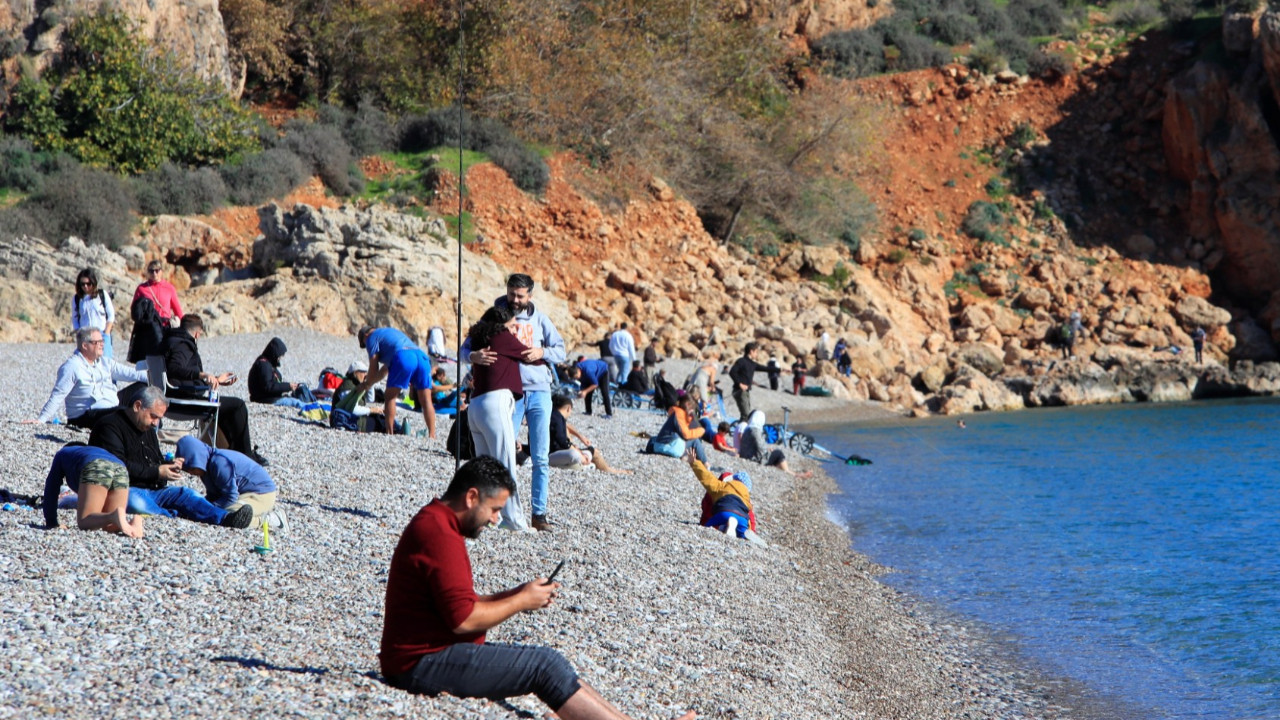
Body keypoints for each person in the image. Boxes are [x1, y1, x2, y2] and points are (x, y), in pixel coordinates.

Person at [379, 457, 694, 720]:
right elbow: (464, 620)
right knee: (544, 666)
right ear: (472, 497)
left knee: (551, 662)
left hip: (431, 652)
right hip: (418, 663)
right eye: (494, 509)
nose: (495, 520)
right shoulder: (439, 534)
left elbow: (457, 604)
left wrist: (516, 593)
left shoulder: (437, 523)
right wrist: (520, 601)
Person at [462, 273, 567, 532]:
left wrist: (542, 352)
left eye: (520, 296)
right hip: (509, 394)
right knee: (504, 455)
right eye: (512, 294)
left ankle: (538, 514)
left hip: (540, 391)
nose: (515, 300)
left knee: (540, 457)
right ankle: (498, 514)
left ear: (530, 295)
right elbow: (465, 349)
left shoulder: (541, 320)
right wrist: (473, 356)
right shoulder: (495, 319)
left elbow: (562, 351)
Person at [89, 387, 254, 528]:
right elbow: (118, 467)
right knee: (135, 502)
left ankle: (225, 518)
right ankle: (172, 514)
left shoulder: (147, 428)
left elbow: (153, 460)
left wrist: (168, 465)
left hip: (153, 489)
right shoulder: (110, 426)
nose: (156, 423)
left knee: (187, 494)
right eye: (154, 416)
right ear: (138, 406)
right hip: (125, 489)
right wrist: (157, 472)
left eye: (159, 418)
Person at [465, 305, 538, 532]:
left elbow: (462, 351)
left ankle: (484, 516)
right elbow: (529, 355)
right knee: (506, 464)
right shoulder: (501, 336)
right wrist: (544, 353)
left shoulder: (479, 337)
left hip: (475, 405)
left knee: (485, 466)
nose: (516, 326)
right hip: (495, 404)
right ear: (501, 324)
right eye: (513, 323)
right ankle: (514, 521)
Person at [162, 314, 266, 464]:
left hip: (176, 393)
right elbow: (175, 368)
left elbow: (179, 374)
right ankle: (245, 457)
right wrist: (203, 375)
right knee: (238, 406)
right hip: (182, 400)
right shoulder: (183, 344)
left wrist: (216, 380)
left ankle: (235, 454)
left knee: (227, 407)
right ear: (198, 333)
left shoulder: (171, 340)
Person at [30, 328, 148, 429]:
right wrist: (41, 419)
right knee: (123, 412)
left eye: (102, 341)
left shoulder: (105, 362)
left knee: (144, 388)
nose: (102, 344)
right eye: (97, 342)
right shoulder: (72, 366)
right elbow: (58, 394)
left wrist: (160, 380)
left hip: (111, 404)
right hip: (85, 415)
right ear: (85, 345)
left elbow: (134, 374)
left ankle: (152, 423)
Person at [175, 436, 286, 530]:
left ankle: (271, 519)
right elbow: (214, 495)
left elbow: (230, 496)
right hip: (243, 493)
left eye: (191, 467)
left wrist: (210, 508)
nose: (190, 472)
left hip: (261, 493)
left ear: (197, 458)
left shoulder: (219, 463)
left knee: (229, 515)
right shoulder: (205, 467)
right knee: (213, 512)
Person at [41, 442, 145, 537]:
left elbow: (52, 487)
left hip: (97, 465)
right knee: (110, 527)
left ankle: (113, 516)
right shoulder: (92, 451)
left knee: (85, 521)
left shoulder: (63, 453)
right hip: (121, 467)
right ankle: (134, 521)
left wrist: (51, 522)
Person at [356, 325, 437, 440]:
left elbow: (373, 368)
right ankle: (432, 435)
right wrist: (369, 384)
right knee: (426, 400)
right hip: (421, 356)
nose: (366, 347)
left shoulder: (371, 338)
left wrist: (365, 384)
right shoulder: (389, 333)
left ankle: (390, 433)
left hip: (404, 357)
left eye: (364, 344)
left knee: (390, 397)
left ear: (365, 335)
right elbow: (383, 372)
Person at [686, 451, 765, 546]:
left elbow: (706, 477)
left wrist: (694, 463)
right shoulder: (746, 497)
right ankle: (743, 532)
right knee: (743, 531)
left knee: (707, 527)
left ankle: (723, 526)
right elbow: (750, 516)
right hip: (742, 517)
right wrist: (751, 529)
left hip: (724, 511)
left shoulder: (721, 485)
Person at [548, 393, 627, 473]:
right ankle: (605, 469)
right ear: (569, 408)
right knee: (575, 454)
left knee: (592, 452)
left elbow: (566, 427)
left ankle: (595, 467)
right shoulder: (556, 418)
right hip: (552, 455)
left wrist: (581, 438)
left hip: (558, 453)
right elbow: (563, 442)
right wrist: (580, 453)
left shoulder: (555, 416)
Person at [248, 337, 316, 408]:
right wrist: (288, 386)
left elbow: (273, 384)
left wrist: (290, 386)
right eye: (279, 356)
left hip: (269, 397)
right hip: (265, 399)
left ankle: (314, 406)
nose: (280, 358)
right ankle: (313, 408)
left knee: (297, 398)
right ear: (274, 354)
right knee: (296, 402)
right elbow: (268, 387)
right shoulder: (263, 365)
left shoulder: (268, 363)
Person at [736, 410, 808, 477]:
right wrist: (768, 451)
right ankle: (791, 473)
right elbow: (761, 447)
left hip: (746, 455)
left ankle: (789, 471)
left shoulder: (747, 429)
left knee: (773, 455)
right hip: (753, 458)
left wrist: (767, 449)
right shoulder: (755, 430)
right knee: (778, 453)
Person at [646, 393, 707, 462]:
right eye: (692, 407)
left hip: (658, 446)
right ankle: (705, 463)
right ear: (688, 405)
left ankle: (685, 456)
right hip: (671, 448)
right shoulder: (679, 413)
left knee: (654, 439)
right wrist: (701, 430)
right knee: (695, 441)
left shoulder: (675, 412)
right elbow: (686, 435)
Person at [71, 268, 116, 359]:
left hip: (102, 335)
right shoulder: (77, 299)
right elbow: (75, 318)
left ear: (93, 283)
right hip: (86, 338)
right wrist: (79, 334)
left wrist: (106, 334)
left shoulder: (102, 295)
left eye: (88, 284)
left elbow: (111, 315)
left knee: (105, 364)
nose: (86, 287)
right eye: (83, 284)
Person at [132, 260, 183, 327]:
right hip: (148, 326)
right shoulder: (141, 288)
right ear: (148, 272)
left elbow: (177, 310)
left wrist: (184, 325)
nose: (154, 273)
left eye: (157, 270)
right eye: (151, 271)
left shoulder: (169, 288)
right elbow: (135, 309)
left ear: (161, 271)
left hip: (165, 326)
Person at [728, 342, 769, 420]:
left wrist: (779, 370)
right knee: (746, 415)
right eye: (756, 352)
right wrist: (740, 384)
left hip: (746, 392)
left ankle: (742, 429)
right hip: (739, 391)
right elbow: (732, 372)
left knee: (747, 414)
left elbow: (765, 368)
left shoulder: (752, 364)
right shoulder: (741, 361)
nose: (757, 354)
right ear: (751, 351)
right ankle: (741, 431)